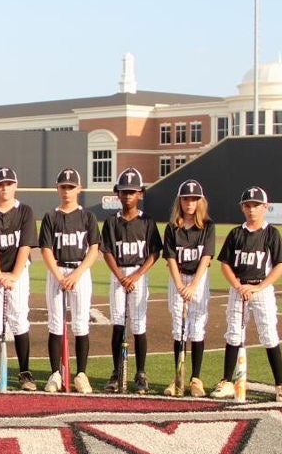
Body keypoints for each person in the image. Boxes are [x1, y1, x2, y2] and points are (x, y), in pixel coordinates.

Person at [210, 186, 282, 401]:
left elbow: (281, 265)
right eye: (248, 205)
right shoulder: (236, 233)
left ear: (265, 207)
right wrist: (237, 286)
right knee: (234, 334)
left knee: (269, 334)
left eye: (256, 205)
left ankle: (280, 385)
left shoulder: (271, 233)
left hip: (261, 290)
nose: (252, 209)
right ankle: (227, 381)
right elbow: (225, 264)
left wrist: (258, 287)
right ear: (242, 208)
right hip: (238, 289)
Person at [0, 167, 39, 391]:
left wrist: (14, 275)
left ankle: (24, 373)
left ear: (15, 185)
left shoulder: (25, 211)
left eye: (9, 183)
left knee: (19, 319)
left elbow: (25, 245)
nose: (5, 187)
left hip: (19, 272)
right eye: (0, 184)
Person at [100, 167, 163, 394]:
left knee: (138, 324)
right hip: (118, 274)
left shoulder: (147, 222)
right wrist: (120, 275)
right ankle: (117, 372)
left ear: (140, 194)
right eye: (124, 191)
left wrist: (136, 275)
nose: (128, 196)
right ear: (117, 193)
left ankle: (140, 373)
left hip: (138, 274)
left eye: (132, 191)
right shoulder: (111, 222)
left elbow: (155, 252)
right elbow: (106, 250)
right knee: (118, 323)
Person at [39, 168, 101, 394]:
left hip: (79, 273)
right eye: (63, 186)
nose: (67, 191)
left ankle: (81, 374)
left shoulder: (87, 217)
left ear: (79, 188)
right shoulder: (51, 217)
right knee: (55, 324)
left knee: (81, 323)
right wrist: (59, 275)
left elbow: (94, 250)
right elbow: (45, 249)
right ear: (58, 189)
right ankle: (55, 373)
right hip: (57, 271)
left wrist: (76, 274)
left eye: (71, 187)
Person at [161, 179, 215, 397]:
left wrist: (193, 285)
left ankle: (196, 379)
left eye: (194, 199)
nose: (190, 203)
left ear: (200, 201)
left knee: (197, 327)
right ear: (180, 201)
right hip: (178, 279)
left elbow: (207, 257)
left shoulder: (208, 227)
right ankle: (178, 376)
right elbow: (171, 259)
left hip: (198, 280)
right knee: (178, 328)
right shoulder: (172, 227)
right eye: (186, 199)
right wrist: (180, 284)